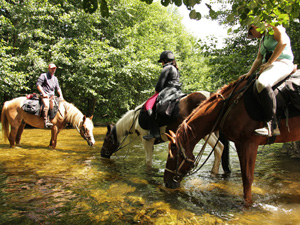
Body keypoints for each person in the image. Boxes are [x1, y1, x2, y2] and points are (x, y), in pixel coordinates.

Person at [242, 24, 294, 137]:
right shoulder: (263, 40)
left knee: (262, 83)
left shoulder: (275, 28)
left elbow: (283, 42)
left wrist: (270, 62)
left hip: (282, 63)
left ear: (253, 26)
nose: (254, 37)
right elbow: (259, 58)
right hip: (269, 66)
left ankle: (272, 125)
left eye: (251, 34)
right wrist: (250, 73)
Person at [143, 50, 182, 140]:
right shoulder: (175, 68)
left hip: (168, 90)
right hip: (177, 91)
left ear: (164, 60)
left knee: (149, 106)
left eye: (161, 62)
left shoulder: (167, 68)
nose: (161, 64)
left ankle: (154, 132)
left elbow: (160, 85)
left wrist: (156, 91)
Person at [36, 63, 64, 128]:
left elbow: (58, 88)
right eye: (52, 68)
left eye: (54, 68)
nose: (53, 70)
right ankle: (46, 121)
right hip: (45, 95)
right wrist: (43, 93)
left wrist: (61, 96)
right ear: (49, 69)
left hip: (52, 96)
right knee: (46, 105)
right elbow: (38, 85)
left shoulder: (55, 78)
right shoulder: (43, 75)